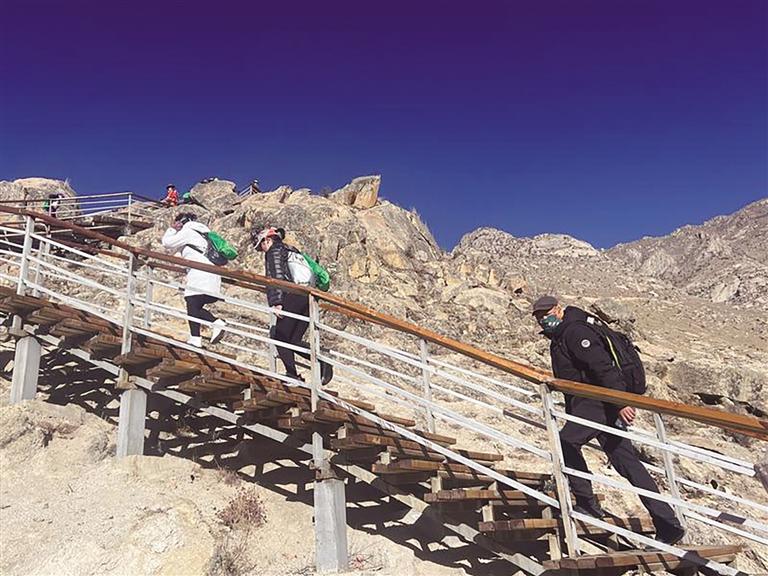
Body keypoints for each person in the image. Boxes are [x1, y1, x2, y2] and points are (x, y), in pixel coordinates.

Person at [532, 295, 685, 545]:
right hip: (594, 403)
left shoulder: (575, 331)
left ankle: (587, 504)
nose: (542, 320)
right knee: (627, 462)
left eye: (545, 314)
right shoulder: (564, 333)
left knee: (566, 442)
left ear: (558, 309)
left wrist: (620, 401)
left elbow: (602, 366)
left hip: (597, 402)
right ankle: (668, 523)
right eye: (538, 316)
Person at [252, 226, 333, 385]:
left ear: (267, 240)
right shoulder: (292, 250)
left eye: (260, 246)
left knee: (279, 336)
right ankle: (323, 363)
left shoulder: (274, 251)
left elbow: (276, 277)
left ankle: (292, 375)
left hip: (293, 295)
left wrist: (276, 302)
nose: (261, 250)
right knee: (293, 340)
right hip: (308, 296)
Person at [162, 212, 226, 347]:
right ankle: (199, 335)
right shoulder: (203, 234)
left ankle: (210, 327)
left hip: (200, 276)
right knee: (194, 306)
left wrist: (172, 229)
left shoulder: (188, 232)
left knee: (191, 302)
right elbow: (177, 253)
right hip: (212, 277)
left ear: (182, 222)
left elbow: (167, 243)